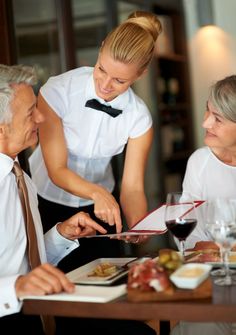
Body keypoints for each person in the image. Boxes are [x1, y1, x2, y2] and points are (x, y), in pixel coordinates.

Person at [0, 64, 157, 335]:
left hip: (36, 311)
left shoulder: (20, 178)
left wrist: (61, 235)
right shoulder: (64, 89)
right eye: (30, 113)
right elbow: (19, 277)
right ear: (1, 129)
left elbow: (29, 260)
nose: (41, 117)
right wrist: (15, 287)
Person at [28, 10, 162, 272]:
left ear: (141, 73)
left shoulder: (139, 116)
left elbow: (133, 187)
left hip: (101, 208)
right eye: (102, 69)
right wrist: (98, 193)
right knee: (56, 289)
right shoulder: (59, 90)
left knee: (107, 285)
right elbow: (57, 170)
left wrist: (137, 224)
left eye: (120, 80)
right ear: (101, 50)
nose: (105, 84)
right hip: (45, 201)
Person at [171, 75, 236, 335]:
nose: (205, 122)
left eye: (217, 119)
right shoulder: (200, 161)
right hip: (213, 278)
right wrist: (205, 248)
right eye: (208, 111)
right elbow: (189, 229)